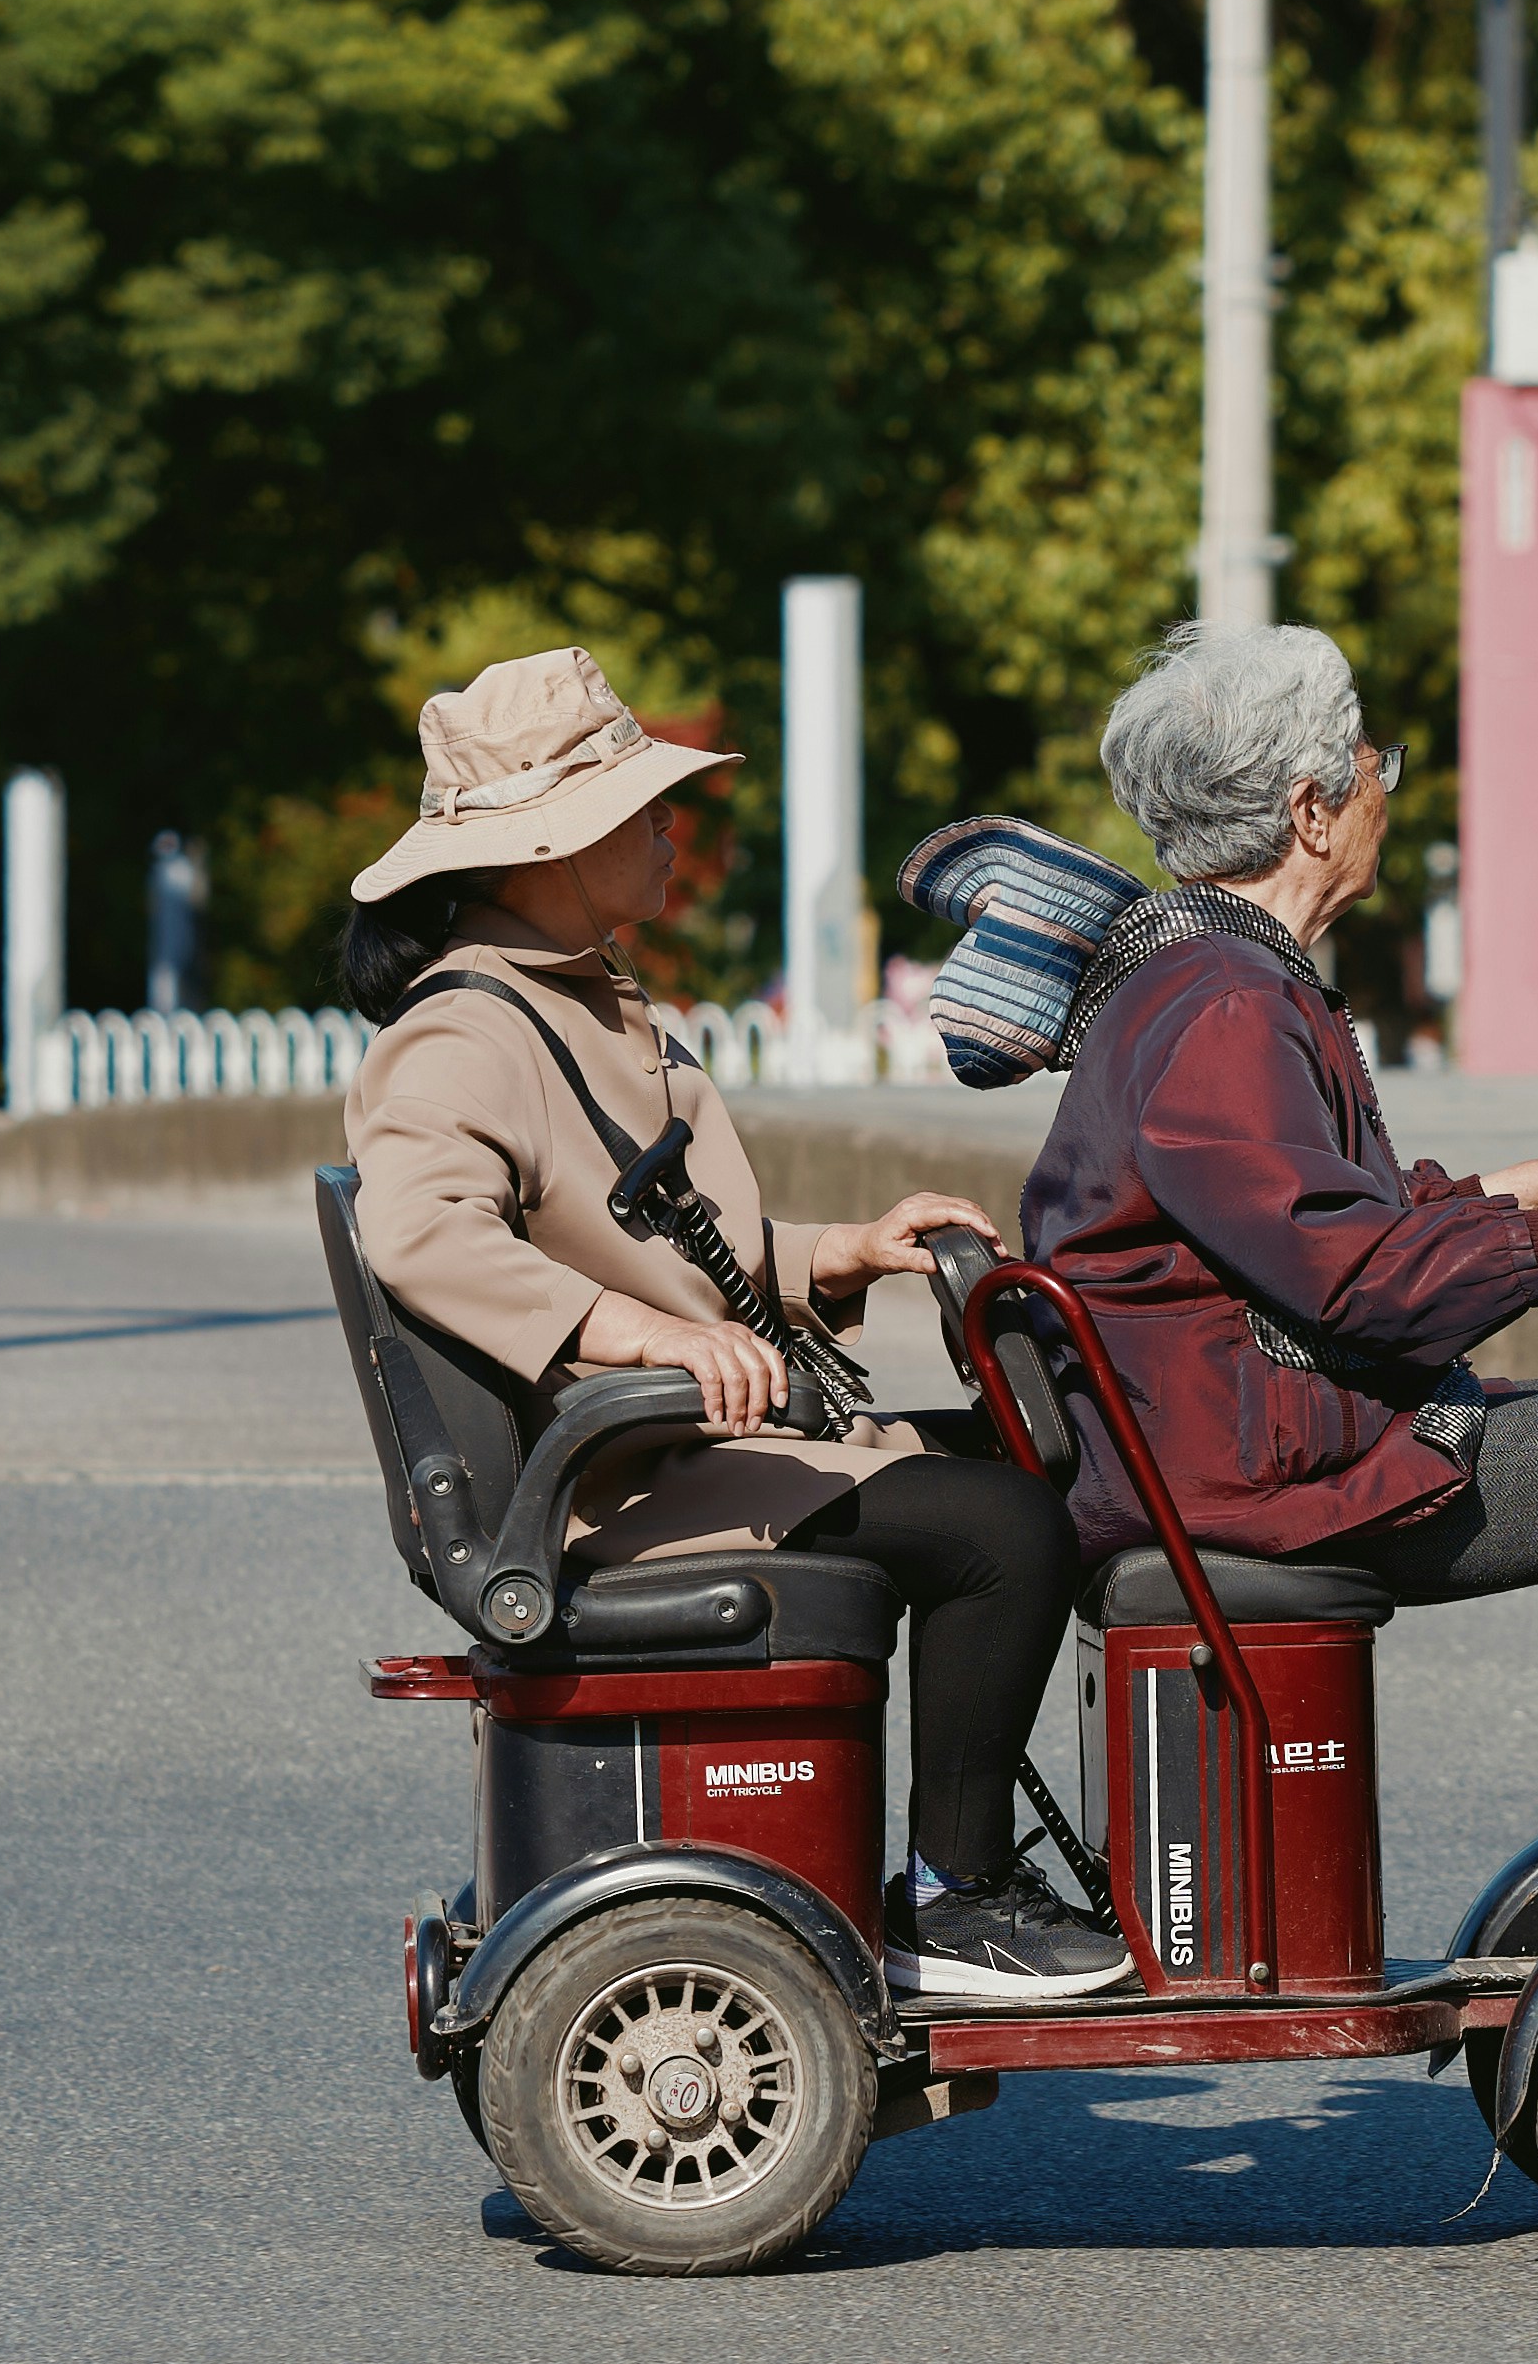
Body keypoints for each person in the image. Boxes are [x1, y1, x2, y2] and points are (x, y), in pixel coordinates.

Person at [338, 648, 1128, 2002]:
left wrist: (844, 1251)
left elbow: (662, 1242)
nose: (669, 830)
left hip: (665, 1448)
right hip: (610, 1479)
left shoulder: (570, 993)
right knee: (1005, 1532)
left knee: (1023, 1469)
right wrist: (635, 1339)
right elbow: (422, 1233)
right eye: (645, 811)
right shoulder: (466, 1030)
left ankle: (963, 1869)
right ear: (553, 846)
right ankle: (954, 1893)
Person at [1019, 620, 1538, 1927]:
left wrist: (1510, 1189)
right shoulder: (1222, 1003)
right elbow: (1348, 1278)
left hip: (1216, 1428)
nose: (1387, 781)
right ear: (1312, 810)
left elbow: (1299, 1221)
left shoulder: (1197, 972)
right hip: (1246, 1464)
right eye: (1374, 757)